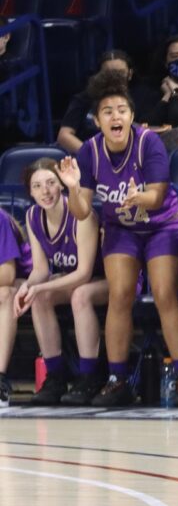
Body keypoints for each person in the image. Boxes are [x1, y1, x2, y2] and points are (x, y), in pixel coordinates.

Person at [59, 70, 178, 406]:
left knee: (164, 294)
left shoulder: (149, 142)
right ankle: (117, 379)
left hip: (162, 225)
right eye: (108, 111)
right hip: (122, 228)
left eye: (122, 109)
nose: (115, 115)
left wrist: (139, 198)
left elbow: (159, 196)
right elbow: (80, 211)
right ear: (97, 120)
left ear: (132, 116)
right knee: (119, 294)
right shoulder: (89, 152)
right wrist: (74, 188)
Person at [12, 159, 108, 405]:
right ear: (30, 192)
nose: (45, 191)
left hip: (107, 279)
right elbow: (41, 270)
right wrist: (27, 286)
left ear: (63, 184)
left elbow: (84, 273)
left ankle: (89, 377)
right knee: (39, 297)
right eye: (37, 186)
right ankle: (55, 377)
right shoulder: (33, 215)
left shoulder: (80, 214)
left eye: (51, 183)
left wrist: (39, 286)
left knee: (80, 295)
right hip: (73, 280)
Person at [58, 51, 135, 154]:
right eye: (109, 73)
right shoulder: (83, 99)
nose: (115, 77)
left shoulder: (137, 98)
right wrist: (93, 156)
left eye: (120, 73)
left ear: (129, 74)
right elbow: (64, 136)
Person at [0, 208, 31, 408]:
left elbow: (7, 276)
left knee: (6, 294)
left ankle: (0, 378)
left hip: (23, 283)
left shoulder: (0, 220)